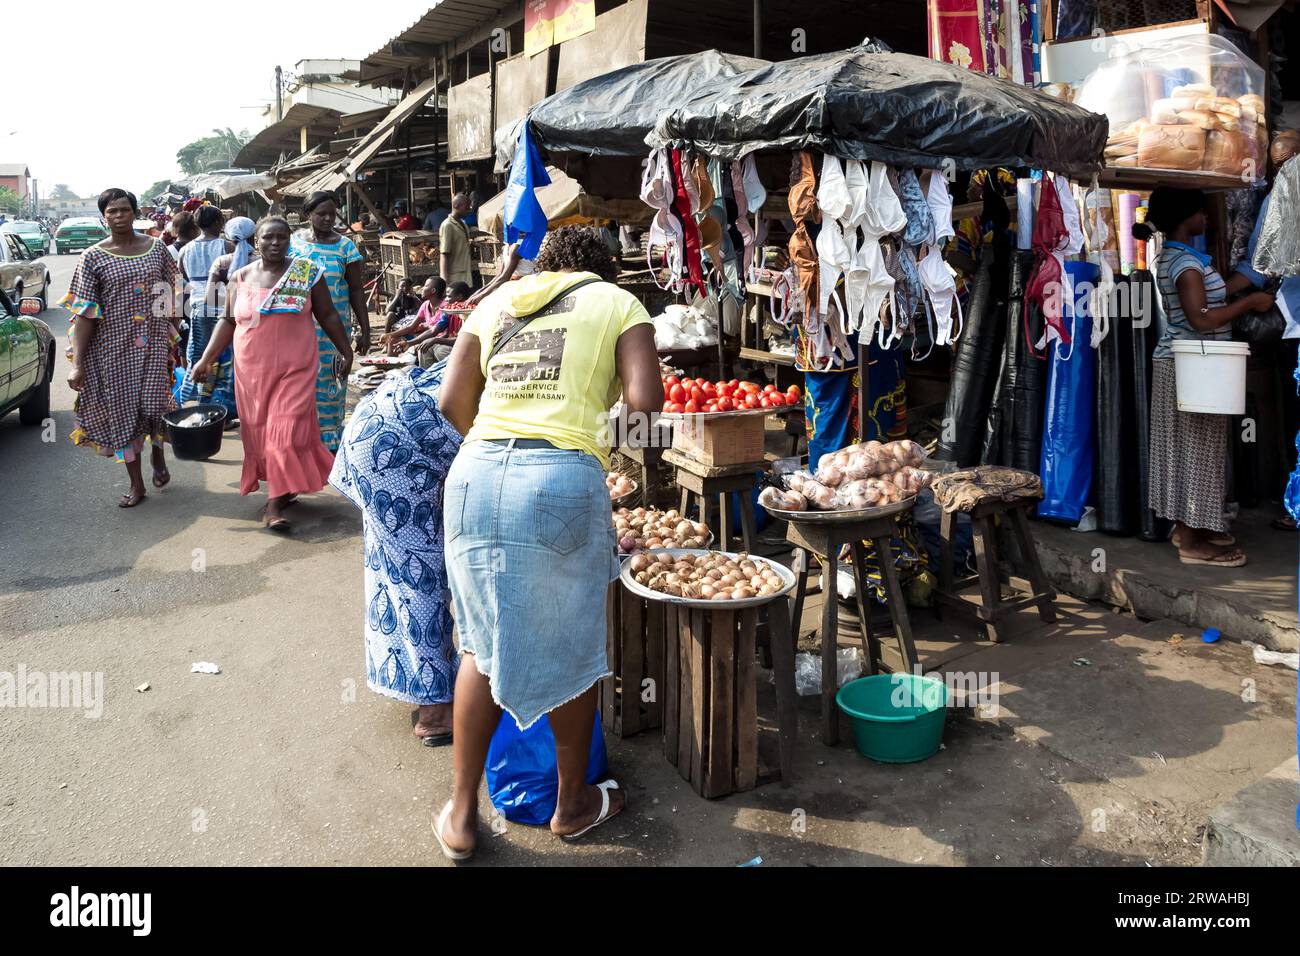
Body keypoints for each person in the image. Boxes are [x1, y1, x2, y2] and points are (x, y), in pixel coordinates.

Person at [432, 226, 662, 858]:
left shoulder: (495, 301)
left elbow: (454, 401)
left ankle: (459, 815)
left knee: (478, 643)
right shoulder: (617, 302)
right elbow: (644, 405)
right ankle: (572, 804)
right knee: (571, 648)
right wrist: (612, 453)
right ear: (604, 269)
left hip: (474, 474)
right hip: (558, 481)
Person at [1134, 187, 1275, 567]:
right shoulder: (1184, 265)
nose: (1208, 218)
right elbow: (1201, 318)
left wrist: (1252, 280)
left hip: (1196, 365)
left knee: (1197, 448)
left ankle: (1189, 529)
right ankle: (1192, 544)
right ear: (1187, 217)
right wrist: (1248, 303)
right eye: (1202, 212)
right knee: (1193, 451)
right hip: (1187, 366)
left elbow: (1213, 296)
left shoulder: (1186, 259)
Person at [329, 361, 462, 746]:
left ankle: (421, 681)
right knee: (419, 576)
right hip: (394, 450)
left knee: (394, 569)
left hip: (382, 429)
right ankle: (435, 712)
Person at [191, 216, 352, 532]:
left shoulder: (306, 273)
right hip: (252, 371)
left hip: (297, 368)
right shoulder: (241, 277)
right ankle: (285, 486)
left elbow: (329, 314)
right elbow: (227, 321)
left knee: (285, 429)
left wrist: (345, 350)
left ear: (290, 240)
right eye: (268, 238)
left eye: (282, 237)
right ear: (256, 242)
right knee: (262, 434)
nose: (275, 243)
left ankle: (274, 506)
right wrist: (205, 359)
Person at [61, 188, 181, 508]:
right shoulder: (93, 256)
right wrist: (79, 362)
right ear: (104, 216)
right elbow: (85, 313)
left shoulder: (157, 249)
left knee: (155, 406)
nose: (118, 216)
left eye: (124, 210)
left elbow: (173, 290)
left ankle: (158, 455)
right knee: (122, 413)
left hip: (154, 345)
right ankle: (137, 484)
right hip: (111, 351)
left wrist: (175, 328)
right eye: (111, 211)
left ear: (134, 212)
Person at [1234, 131, 1300, 531]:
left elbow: (1260, 266)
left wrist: (1223, 294)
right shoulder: (1278, 199)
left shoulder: (1282, 199)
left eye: (1287, 161)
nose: (1284, 169)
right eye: (1278, 164)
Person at [290, 191, 371, 452]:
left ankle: (329, 443)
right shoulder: (295, 245)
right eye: (320, 214)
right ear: (307, 215)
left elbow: (356, 290)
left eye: (331, 214)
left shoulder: (345, 246)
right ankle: (304, 440)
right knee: (302, 384)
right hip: (300, 328)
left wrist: (365, 330)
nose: (327, 219)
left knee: (333, 383)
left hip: (336, 331)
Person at [178, 205, 238, 422]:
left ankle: (202, 404)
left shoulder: (185, 249)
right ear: (219, 223)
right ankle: (223, 407)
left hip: (197, 308)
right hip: (225, 307)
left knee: (202, 356)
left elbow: (181, 275)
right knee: (226, 357)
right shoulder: (227, 246)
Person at [408, 280, 472, 366]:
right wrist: (410, 343)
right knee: (424, 348)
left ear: (459, 297)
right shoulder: (448, 311)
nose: (446, 299)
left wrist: (436, 340)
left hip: (466, 348)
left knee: (440, 350)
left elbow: (461, 340)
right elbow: (434, 330)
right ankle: (427, 376)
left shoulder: (470, 314)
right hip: (452, 344)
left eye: (449, 297)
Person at [380, 276, 447, 353]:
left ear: (433, 290)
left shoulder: (445, 307)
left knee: (420, 347)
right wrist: (389, 335)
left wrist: (412, 343)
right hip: (427, 336)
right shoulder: (425, 305)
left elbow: (444, 333)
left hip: (439, 340)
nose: (421, 289)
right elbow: (410, 327)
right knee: (392, 341)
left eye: (425, 286)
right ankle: (390, 364)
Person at [466, 239, 535, 307]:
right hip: (513, 284)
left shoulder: (516, 247)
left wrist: (482, 295)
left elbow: (505, 277)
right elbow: (499, 275)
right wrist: (479, 291)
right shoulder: (506, 247)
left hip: (524, 285)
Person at [438, 193, 474, 289]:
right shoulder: (448, 225)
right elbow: (444, 253)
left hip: (465, 276)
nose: (469, 209)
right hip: (454, 279)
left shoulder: (463, 224)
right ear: (456, 206)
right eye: (466, 206)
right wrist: (444, 280)